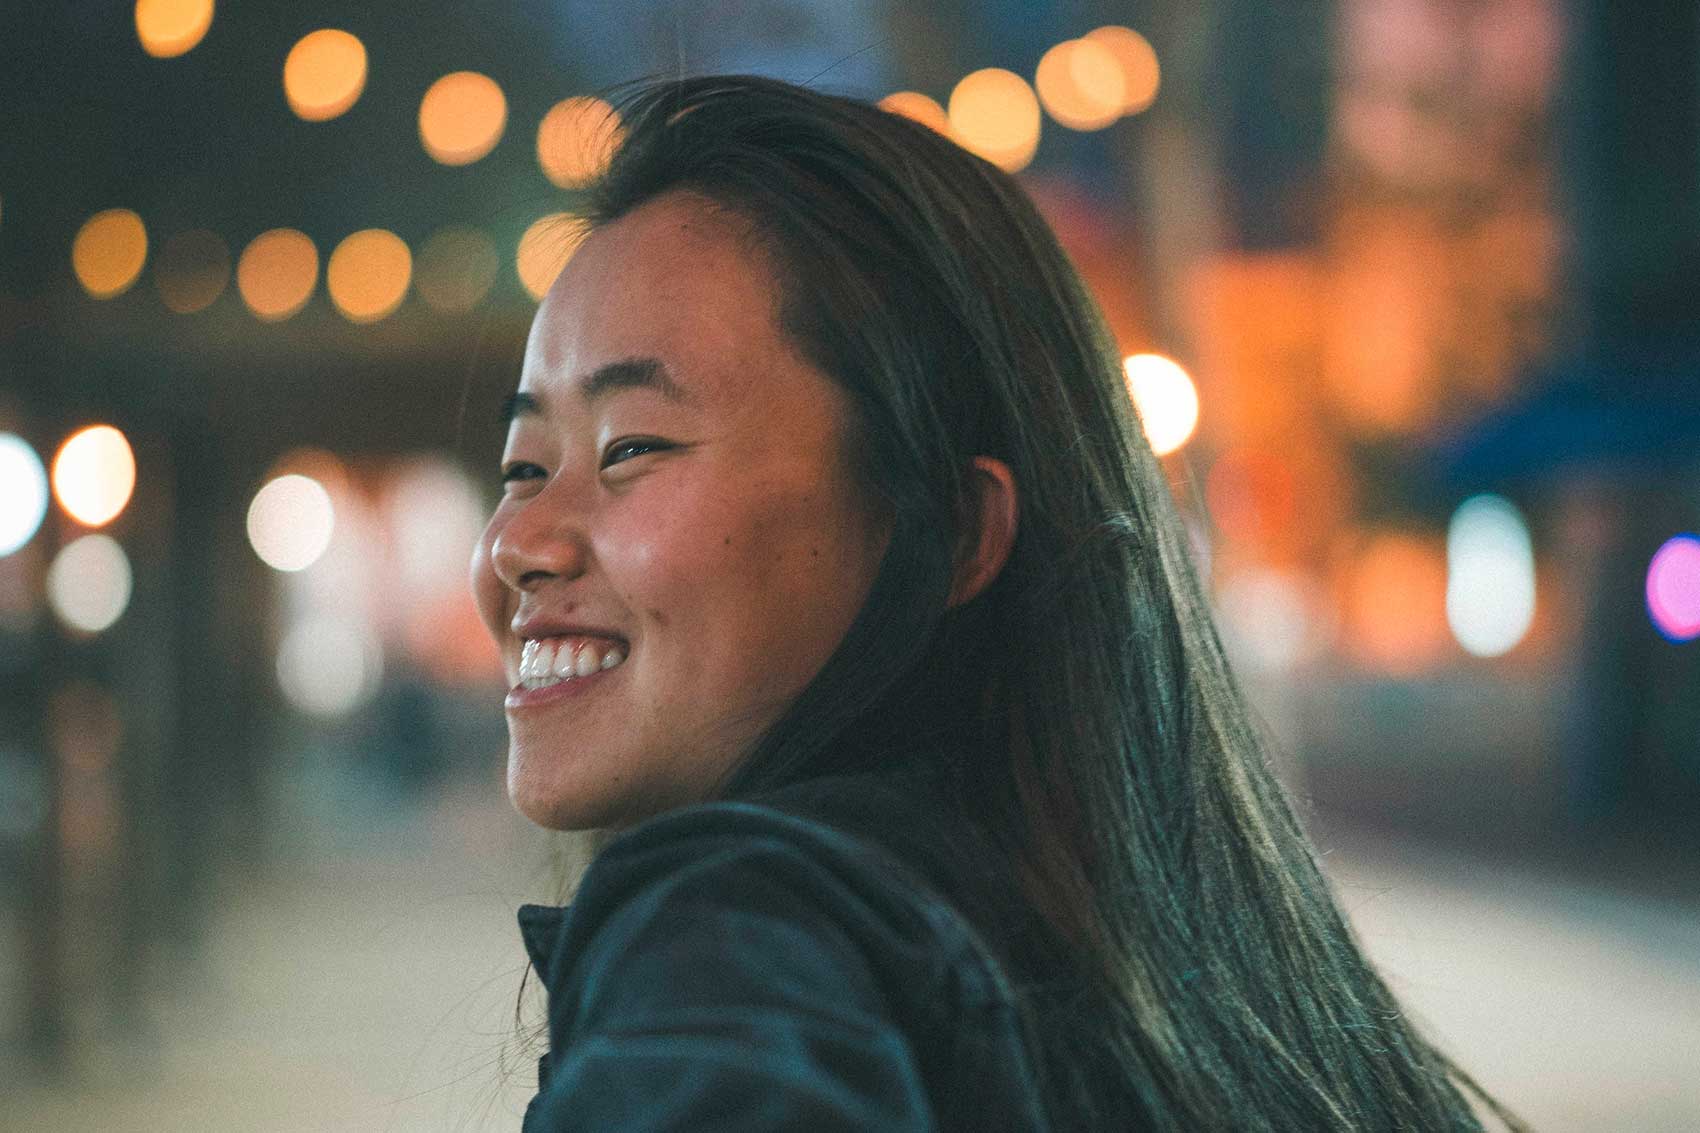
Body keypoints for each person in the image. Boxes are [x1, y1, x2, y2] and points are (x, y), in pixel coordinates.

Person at [471, 74, 1525, 1131]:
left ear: (948, 532)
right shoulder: (1209, 1006)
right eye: (521, 467)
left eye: (632, 447)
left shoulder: (740, 935)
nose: (519, 543)